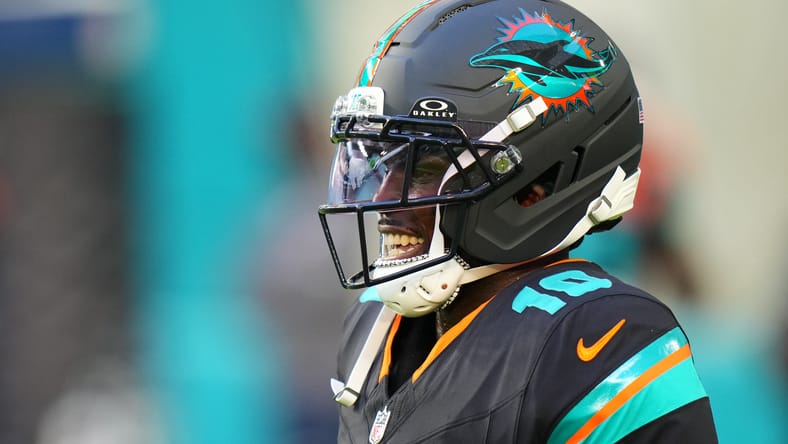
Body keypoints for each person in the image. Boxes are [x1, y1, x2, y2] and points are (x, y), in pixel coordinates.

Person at [317, 0, 718, 442]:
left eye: (424, 168)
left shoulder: (602, 338)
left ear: (538, 181)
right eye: (381, 163)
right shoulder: (373, 323)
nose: (386, 200)